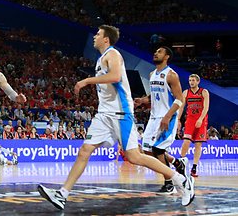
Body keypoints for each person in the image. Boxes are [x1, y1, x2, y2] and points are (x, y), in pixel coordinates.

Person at [38, 25, 194, 210]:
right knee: (84, 151)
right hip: (104, 115)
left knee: (135, 156)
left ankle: (180, 180)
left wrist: (87, 80)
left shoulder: (113, 54)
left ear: (106, 39)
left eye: (98, 34)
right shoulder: (101, 59)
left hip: (120, 114)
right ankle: (62, 195)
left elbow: (115, 76)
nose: (94, 36)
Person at [134, 46, 187, 194]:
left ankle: (169, 183)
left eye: (160, 52)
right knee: (146, 151)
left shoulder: (171, 75)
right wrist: (143, 100)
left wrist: (168, 116)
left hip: (167, 117)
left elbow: (179, 99)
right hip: (153, 117)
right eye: (156, 51)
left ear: (167, 57)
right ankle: (176, 162)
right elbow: (155, 95)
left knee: (158, 149)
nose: (156, 53)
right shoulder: (152, 74)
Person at [180, 74, 209, 178]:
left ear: (198, 82)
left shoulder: (204, 92)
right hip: (190, 120)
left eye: (193, 80)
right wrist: (178, 119)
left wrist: (200, 119)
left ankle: (194, 167)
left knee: (198, 145)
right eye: (189, 80)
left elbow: (206, 107)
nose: (191, 82)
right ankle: (181, 163)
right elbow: (182, 106)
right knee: (186, 141)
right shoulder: (186, 92)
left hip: (201, 120)